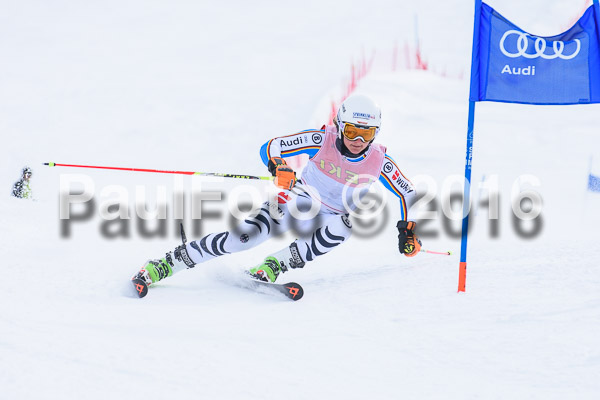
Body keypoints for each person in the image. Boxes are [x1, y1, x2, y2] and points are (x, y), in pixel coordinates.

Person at [132, 94, 420, 288]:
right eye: (352, 130)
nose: (358, 140)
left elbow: (407, 193)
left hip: (332, 216)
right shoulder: (321, 140)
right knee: (244, 238)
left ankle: (275, 265)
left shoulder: (379, 161)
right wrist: (279, 166)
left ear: (376, 133)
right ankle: (169, 263)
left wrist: (408, 230)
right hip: (298, 200)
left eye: (366, 133)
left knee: (346, 226)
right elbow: (272, 146)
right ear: (340, 126)